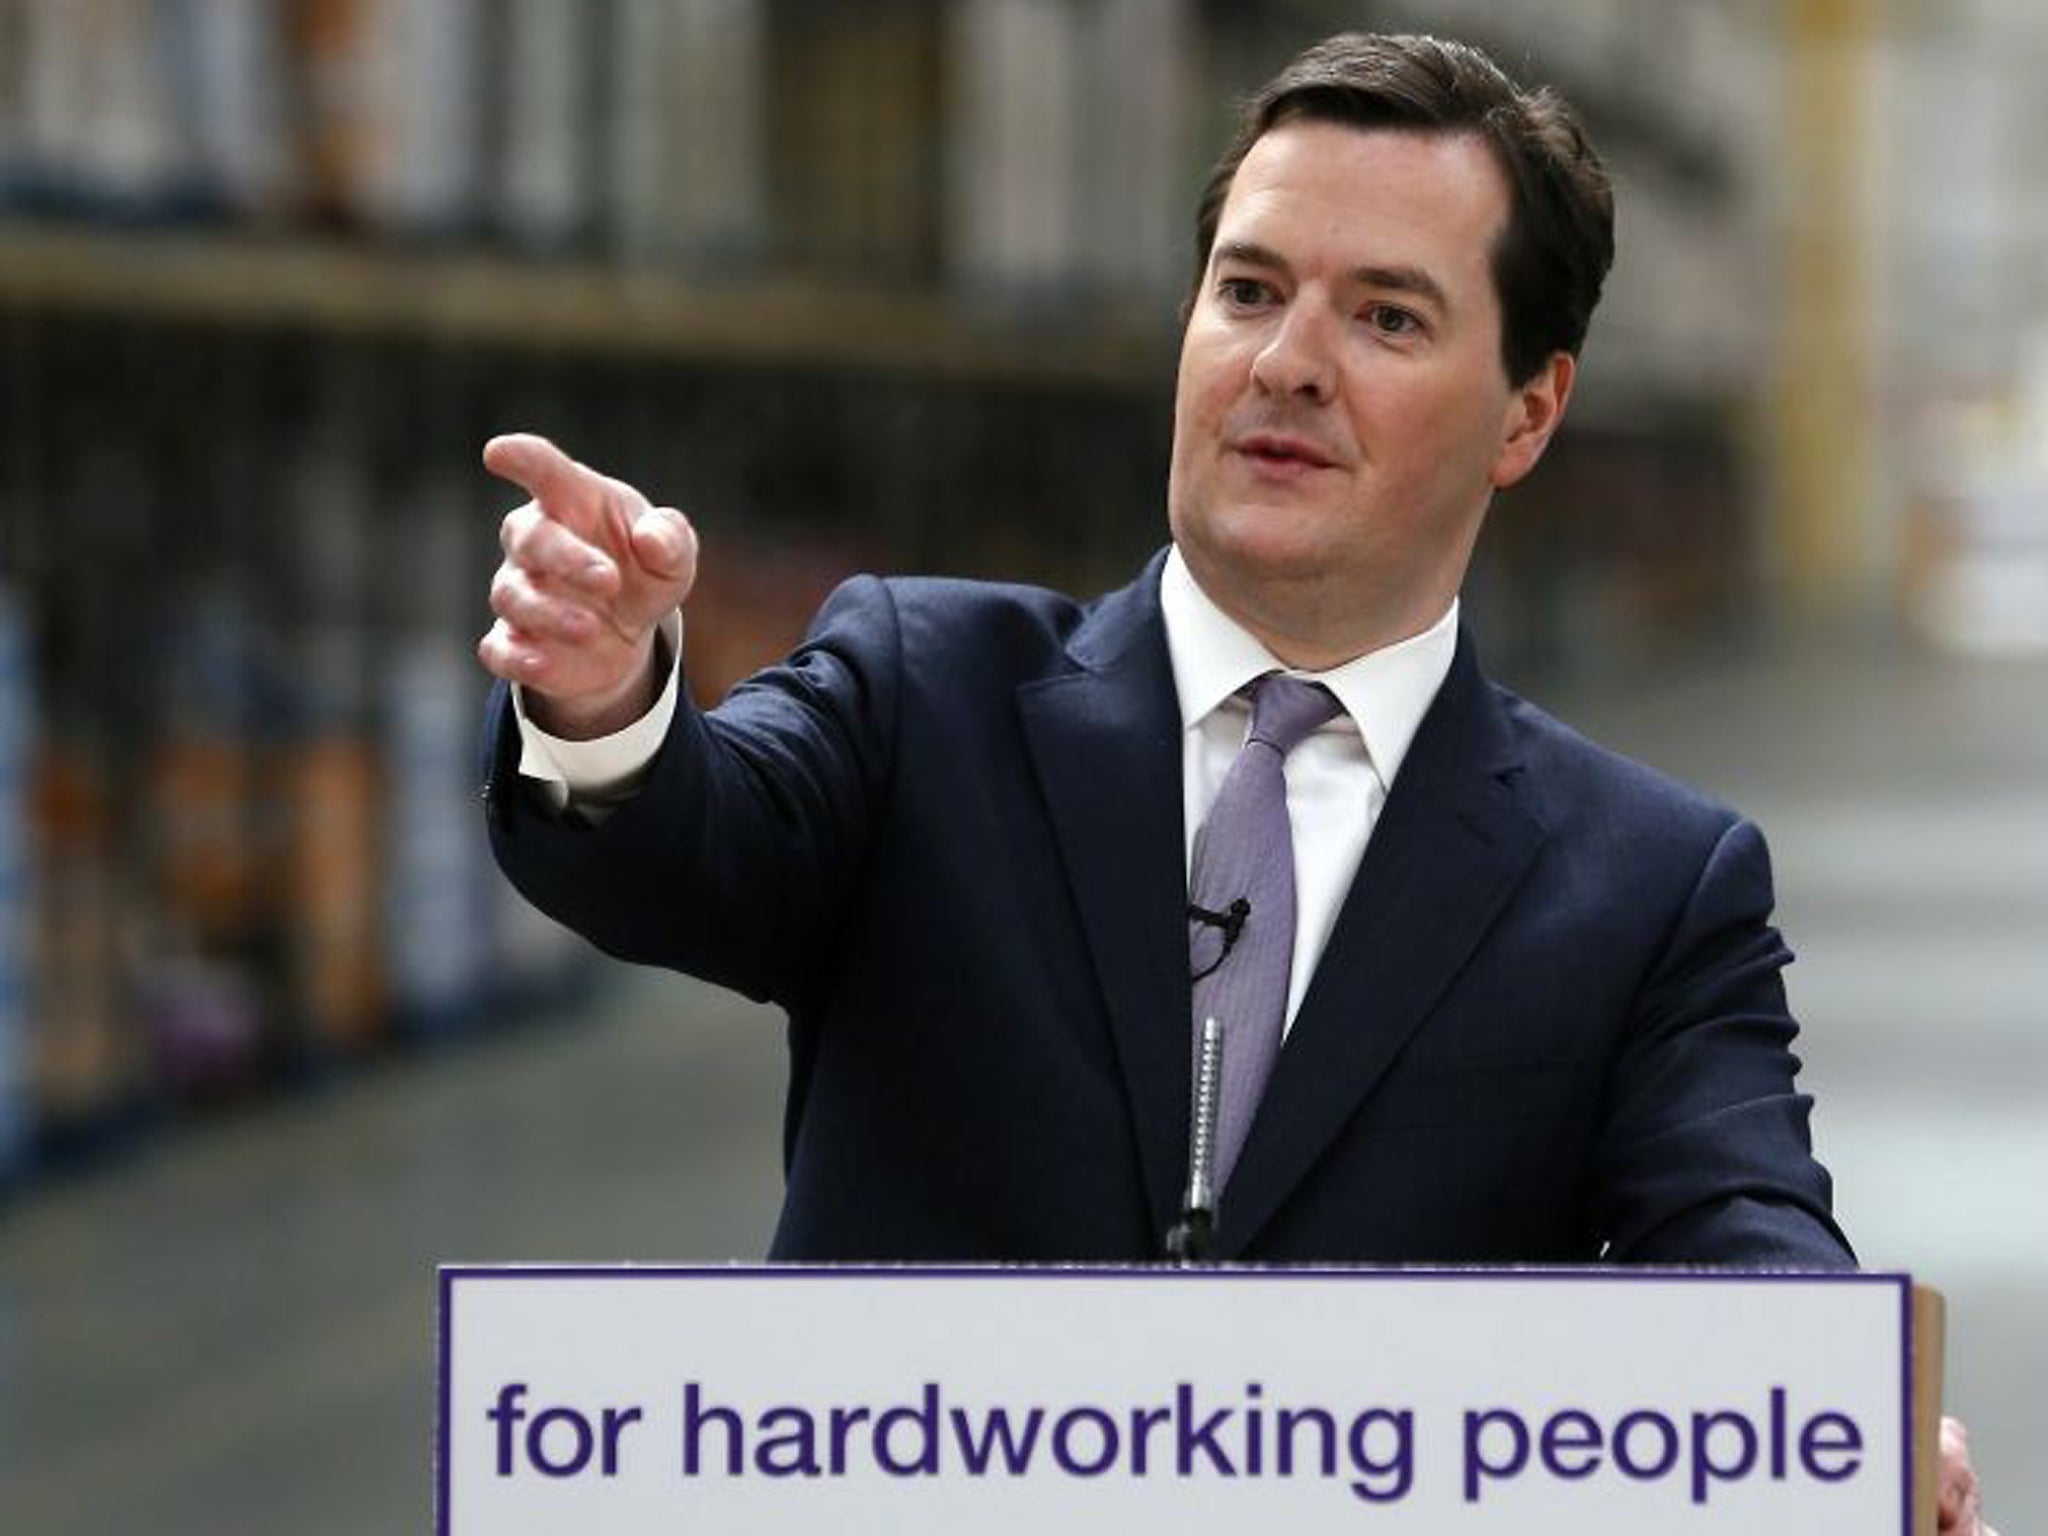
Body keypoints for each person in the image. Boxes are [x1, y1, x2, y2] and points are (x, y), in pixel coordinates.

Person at [475, 33, 1995, 1533]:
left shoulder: (1649, 886)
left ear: (1527, 411)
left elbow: (1737, 1219)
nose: (1288, 364)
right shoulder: (925, 691)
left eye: (1387, 319)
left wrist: (1827, 1406)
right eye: (1250, 291)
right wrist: (609, 695)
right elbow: (692, 840)